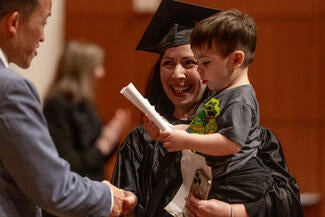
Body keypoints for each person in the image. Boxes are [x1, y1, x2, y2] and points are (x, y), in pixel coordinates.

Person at [112, 1, 303, 217]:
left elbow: (288, 204)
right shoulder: (140, 143)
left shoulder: (255, 139)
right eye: (167, 63)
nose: (177, 74)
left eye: (190, 63)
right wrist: (130, 202)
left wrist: (236, 212)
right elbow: (125, 206)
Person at [0, 1, 136, 217]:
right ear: (14, 22)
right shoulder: (11, 89)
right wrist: (108, 197)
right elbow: (53, 186)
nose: (43, 36)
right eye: (43, 22)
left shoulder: (86, 104)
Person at [43, 40, 130, 181]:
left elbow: (97, 157)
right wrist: (104, 144)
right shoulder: (57, 104)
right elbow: (67, 162)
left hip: (91, 187)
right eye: (96, 67)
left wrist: (111, 136)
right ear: (82, 70)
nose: (101, 73)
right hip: (72, 190)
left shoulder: (85, 103)